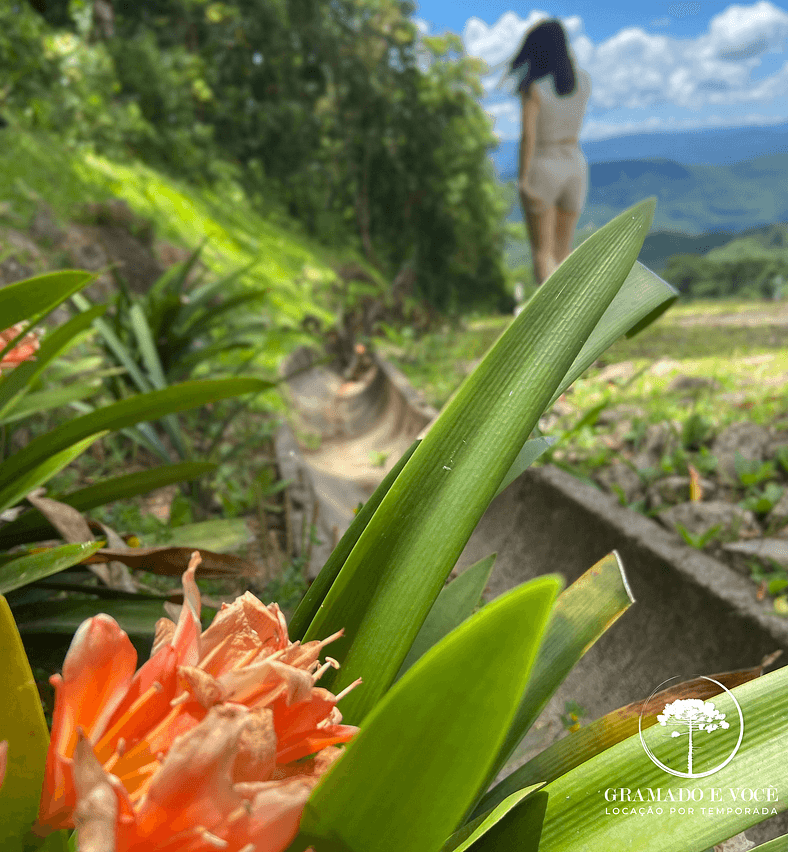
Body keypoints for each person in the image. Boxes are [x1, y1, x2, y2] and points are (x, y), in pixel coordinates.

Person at [510, 19, 592, 288]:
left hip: (544, 164)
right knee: (563, 251)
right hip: (575, 163)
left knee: (542, 252)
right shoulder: (584, 82)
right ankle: (573, 313)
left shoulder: (533, 88)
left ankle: (551, 322)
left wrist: (523, 179)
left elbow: (528, 137)